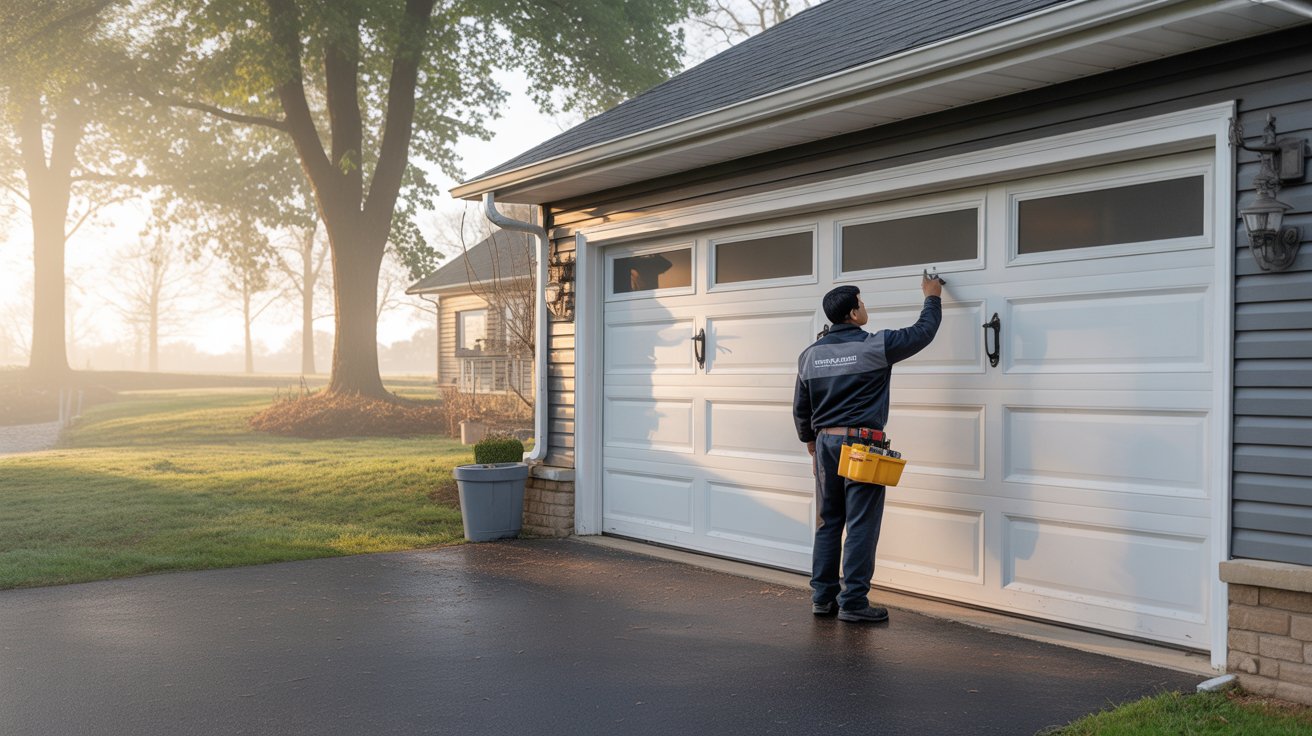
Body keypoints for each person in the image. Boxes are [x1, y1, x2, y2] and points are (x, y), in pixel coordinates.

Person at [793, 275, 943, 623]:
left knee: (828, 522)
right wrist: (932, 297)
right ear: (852, 313)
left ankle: (823, 598)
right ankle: (854, 603)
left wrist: (810, 441)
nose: (865, 308)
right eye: (861, 303)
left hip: (826, 442)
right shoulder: (876, 346)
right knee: (860, 523)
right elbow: (923, 332)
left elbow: (801, 407)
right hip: (861, 446)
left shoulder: (809, 355)